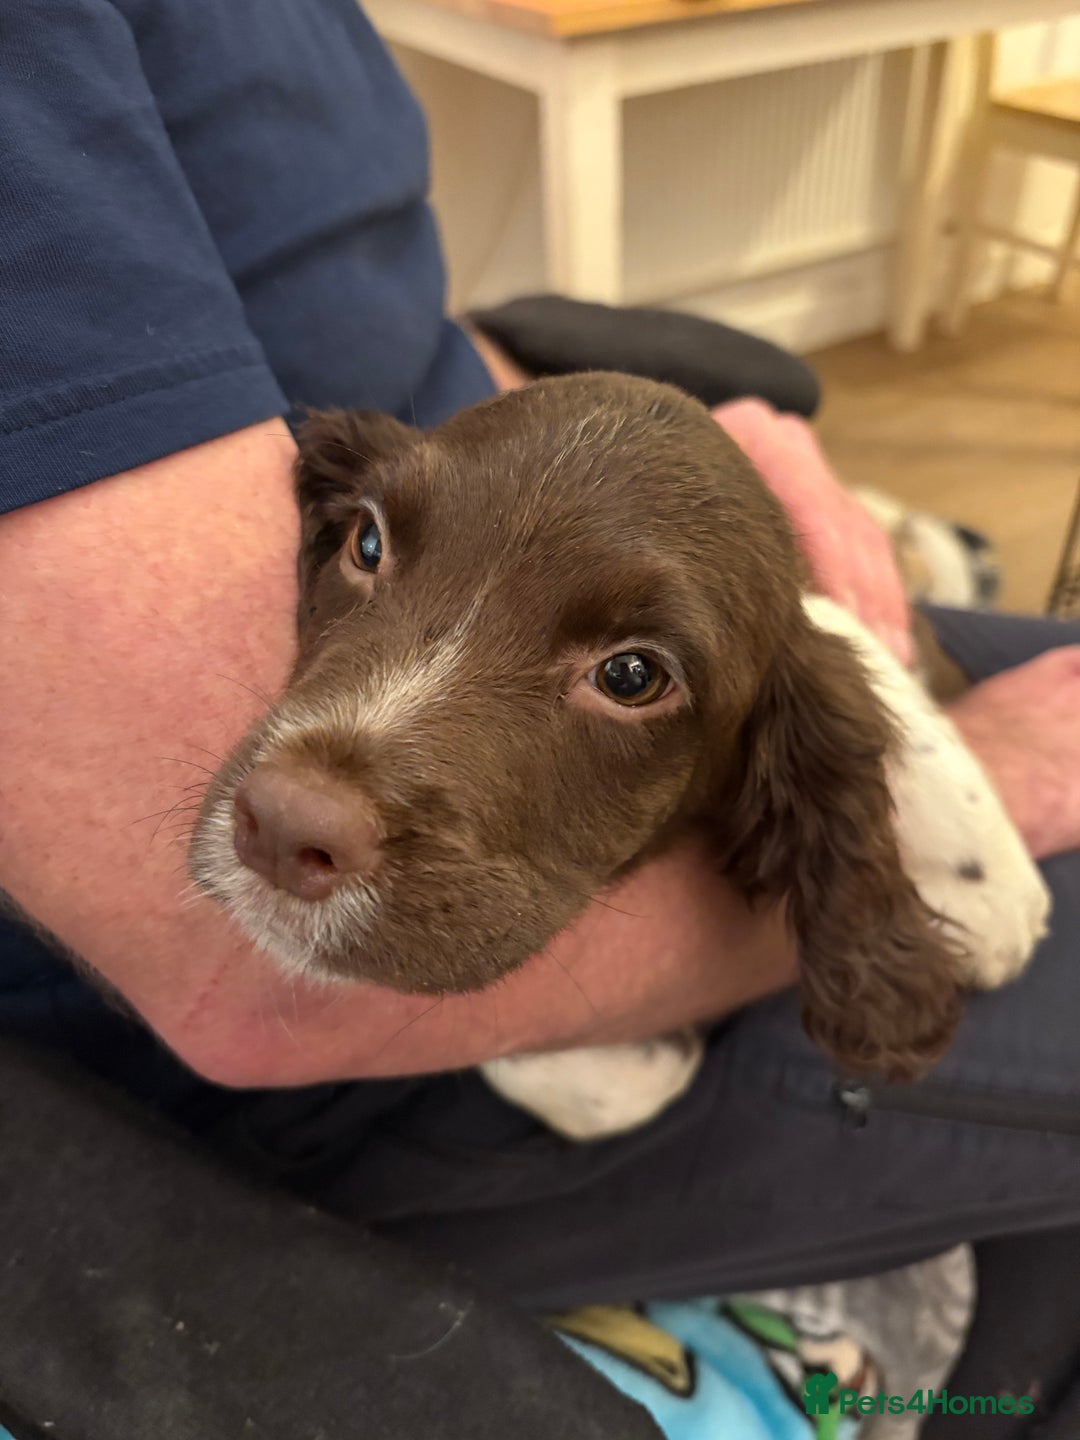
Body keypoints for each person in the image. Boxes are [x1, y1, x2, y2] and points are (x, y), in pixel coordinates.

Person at [2, 1, 1080, 1432]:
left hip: (578, 628)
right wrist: (978, 790)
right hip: (342, 1080)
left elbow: (365, 320)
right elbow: (233, 988)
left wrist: (686, 460)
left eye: (627, 673)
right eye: (364, 547)